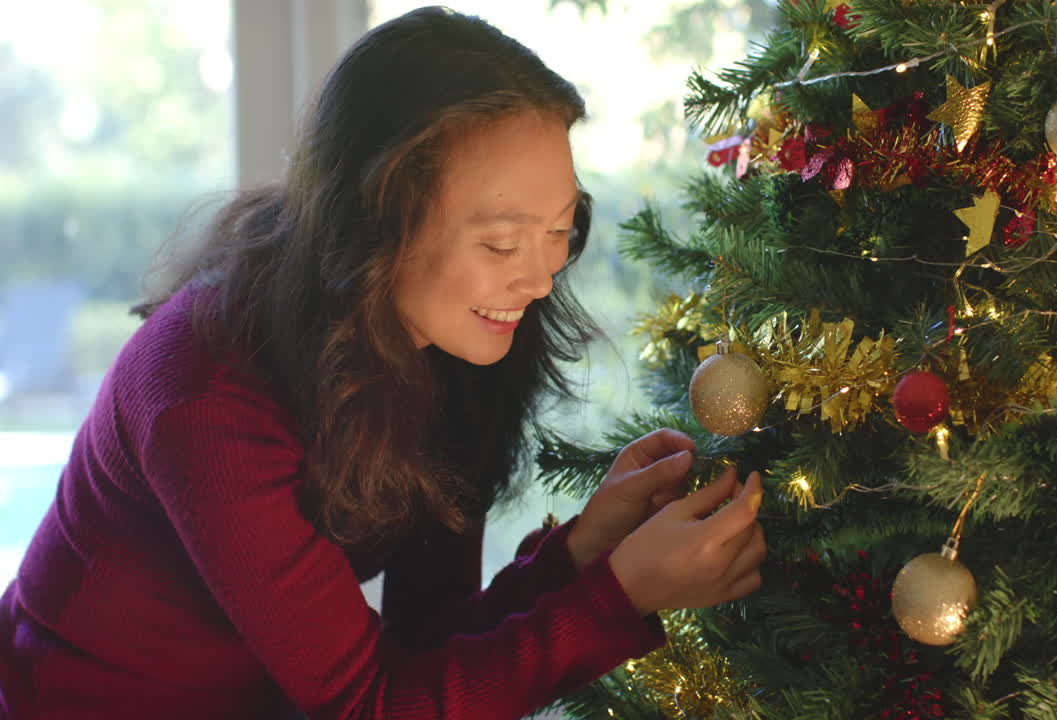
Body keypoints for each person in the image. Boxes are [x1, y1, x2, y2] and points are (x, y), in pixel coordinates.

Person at [0, 7, 767, 719]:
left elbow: (425, 645)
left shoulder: (451, 342)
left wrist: (583, 554)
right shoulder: (203, 394)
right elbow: (370, 706)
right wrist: (619, 594)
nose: (538, 281)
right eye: (501, 243)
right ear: (373, 223)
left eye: (560, 230)